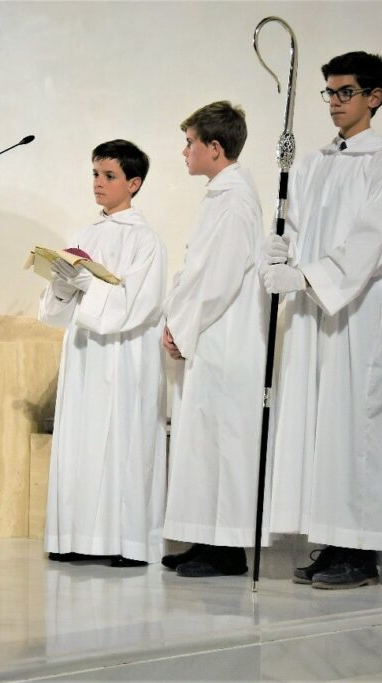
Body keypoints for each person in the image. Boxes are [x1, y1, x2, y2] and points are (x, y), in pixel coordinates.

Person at [261, 51, 382, 589]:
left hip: (358, 316)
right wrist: (282, 251)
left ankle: (360, 551)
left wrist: (308, 277)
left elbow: (370, 244)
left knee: (354, 428)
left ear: (374, 97)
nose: (333, 102)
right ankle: (329, 541)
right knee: (319, 426)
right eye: (328, 92)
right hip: (317, 314)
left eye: (344, 92)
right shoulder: (315, 162)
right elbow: (301, 227)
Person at [39, 139, 168, 568]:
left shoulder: (146, 240)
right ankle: (74, 537)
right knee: (82, 441)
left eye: (109, 176)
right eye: (95, 174)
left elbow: (138, 303)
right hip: (85, 351)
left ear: (133, 183)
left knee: (122, 443)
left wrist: (88, 286)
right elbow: (59, 307)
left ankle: (126, 543)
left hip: (123, 354)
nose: (99, 183)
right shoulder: (85, 235)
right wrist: (61, 282)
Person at [161, 101, 268, 577]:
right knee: (201, 442)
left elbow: (220, 277)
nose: (184, 151)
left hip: (225, 336)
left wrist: (182, 326)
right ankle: (204, 538)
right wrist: (176, 319)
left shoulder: (236, 199)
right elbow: (199, 270)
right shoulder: (220, 195)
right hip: (208, 334)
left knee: (224, 443)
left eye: (190, 142)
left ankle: (227, 550)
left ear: (215, 148)